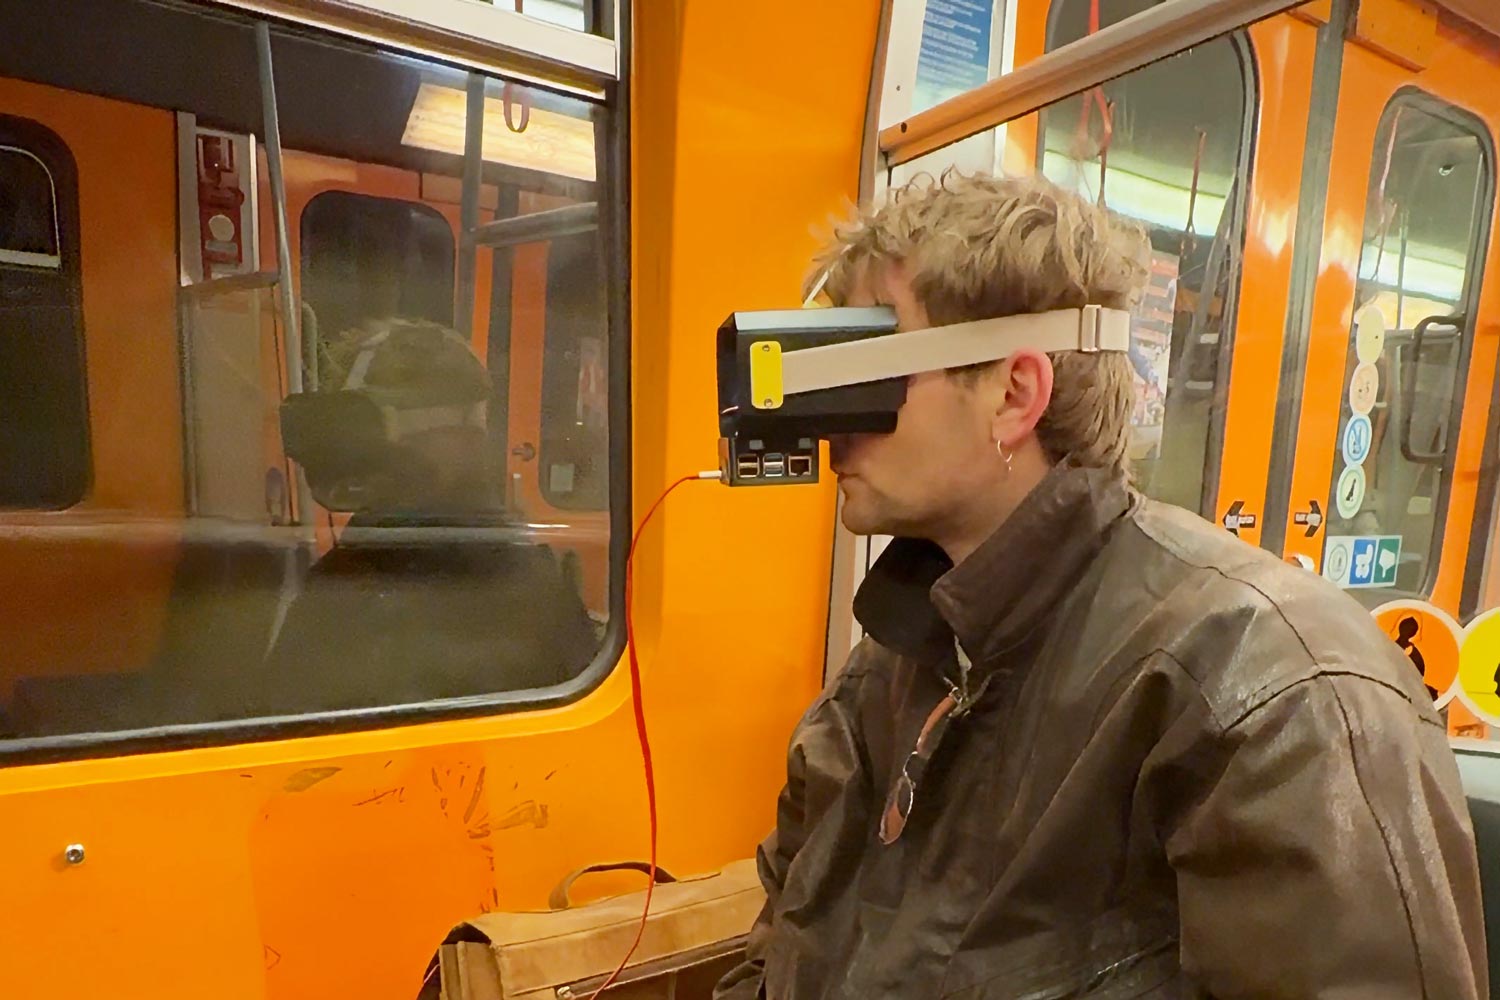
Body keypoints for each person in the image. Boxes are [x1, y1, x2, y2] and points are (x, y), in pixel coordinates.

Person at [714, 173, 1486, 998]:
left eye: (866, 368)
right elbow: (780, 949)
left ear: (1015, 394)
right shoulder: (890, 669)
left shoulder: (1268, 696)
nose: (829, 418)